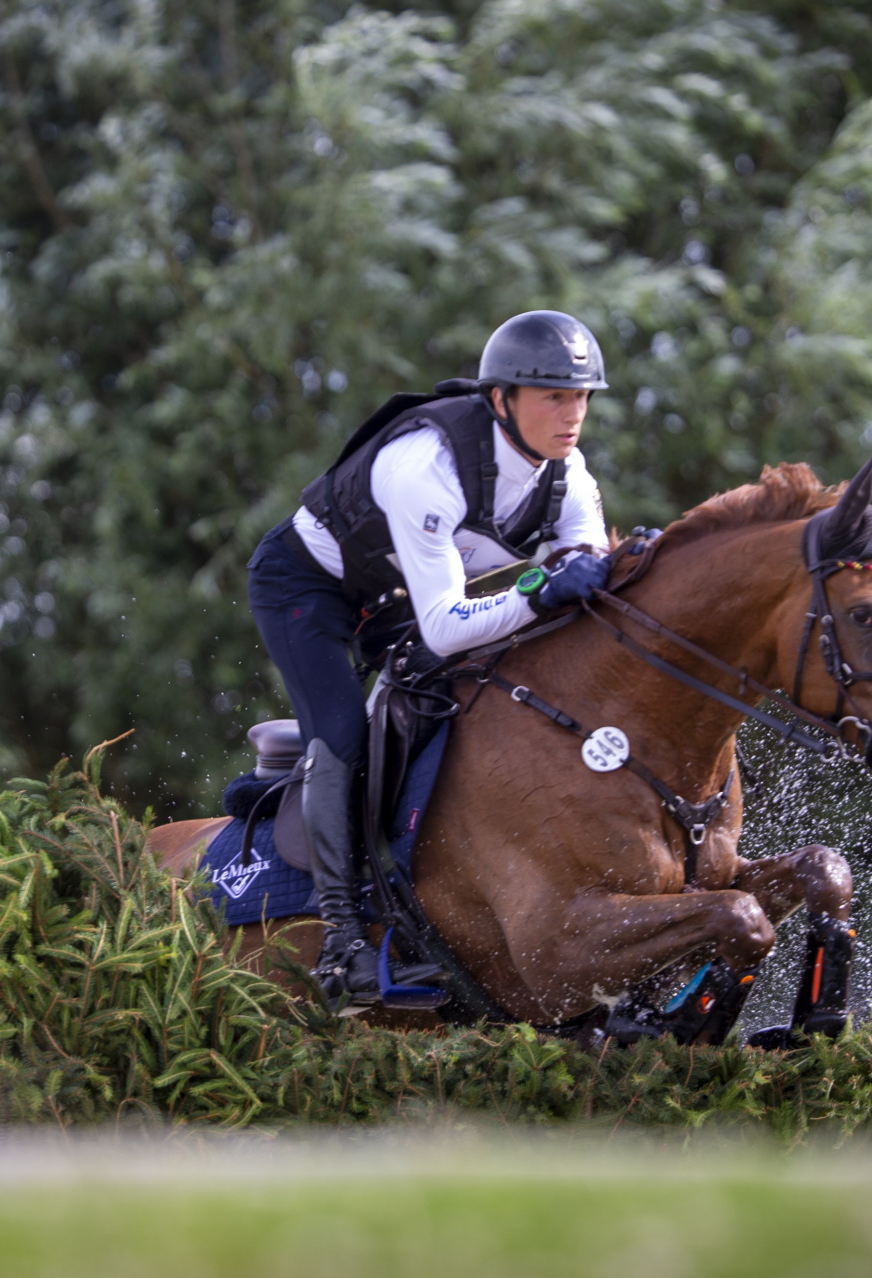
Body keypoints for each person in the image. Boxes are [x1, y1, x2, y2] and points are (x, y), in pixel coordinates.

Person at [246, 310, 614, 1012]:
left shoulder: (570, 476)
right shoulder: (425, 466)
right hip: (309, 587)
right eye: (554, 397)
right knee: (345, 731)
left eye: (583, 397)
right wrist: (540, 592)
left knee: (475, 702)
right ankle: (342, 946)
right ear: (500, 397)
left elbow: (583, 562)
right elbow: (448, 625)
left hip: (400, 597)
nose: (573, 416)